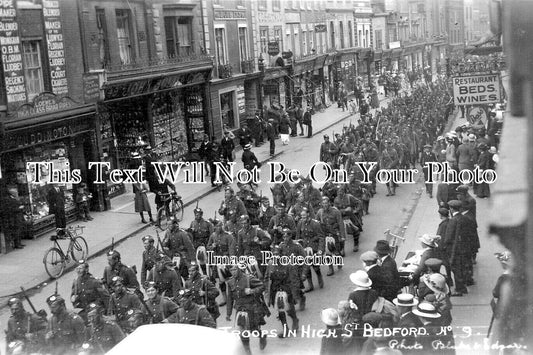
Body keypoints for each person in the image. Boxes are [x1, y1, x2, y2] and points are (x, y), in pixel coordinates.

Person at [226, 263, 269, 352]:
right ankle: (248, 351)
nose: (233, 272)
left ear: (239, 269)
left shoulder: (249, 278)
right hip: (239, 309)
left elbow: (263, 286)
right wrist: (228, 313)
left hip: (251, 308)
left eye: (234, 270)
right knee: (242, 332)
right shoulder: (230, 282)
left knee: (254, 330)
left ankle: (262, 336)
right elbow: (229, 298)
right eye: (231, 270)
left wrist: (252, 291)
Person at [264, 245, 299, 337]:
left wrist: (295, 295)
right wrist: (267, 295)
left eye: (277, 254)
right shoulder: (270, 264)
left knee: (290, 310)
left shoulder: (288, 265)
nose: (275, 256)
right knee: (280, 311)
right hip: (275, 290)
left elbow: (294, 280)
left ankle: (295, 320)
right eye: (274, 254)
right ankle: (285, 329)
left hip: (287, 289)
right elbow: (267, 278)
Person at [296, 207, 325, 292]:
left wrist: (320, 250)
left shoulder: (315, 224)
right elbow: (298, 237)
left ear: (308, 214)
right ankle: (310, 285)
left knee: (315, 266)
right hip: (304, 248)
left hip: (314, 247)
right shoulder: (300, 223)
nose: (303, 218)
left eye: (304, 216)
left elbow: (321, 237)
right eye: (301, 216)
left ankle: (319, 276)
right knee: (306, 267)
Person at [316, 196, 346, 276]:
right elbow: (316, 223)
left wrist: (342, 236)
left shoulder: (336, 211)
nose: (325, 205)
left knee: (336, 251)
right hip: (325, 234)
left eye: (326, 203)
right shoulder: (320, 212)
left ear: (329, 203)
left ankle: (339, 261)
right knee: (327, 252)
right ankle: (330, 268)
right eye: (323, 203)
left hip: (335, 234)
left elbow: (340, 223)